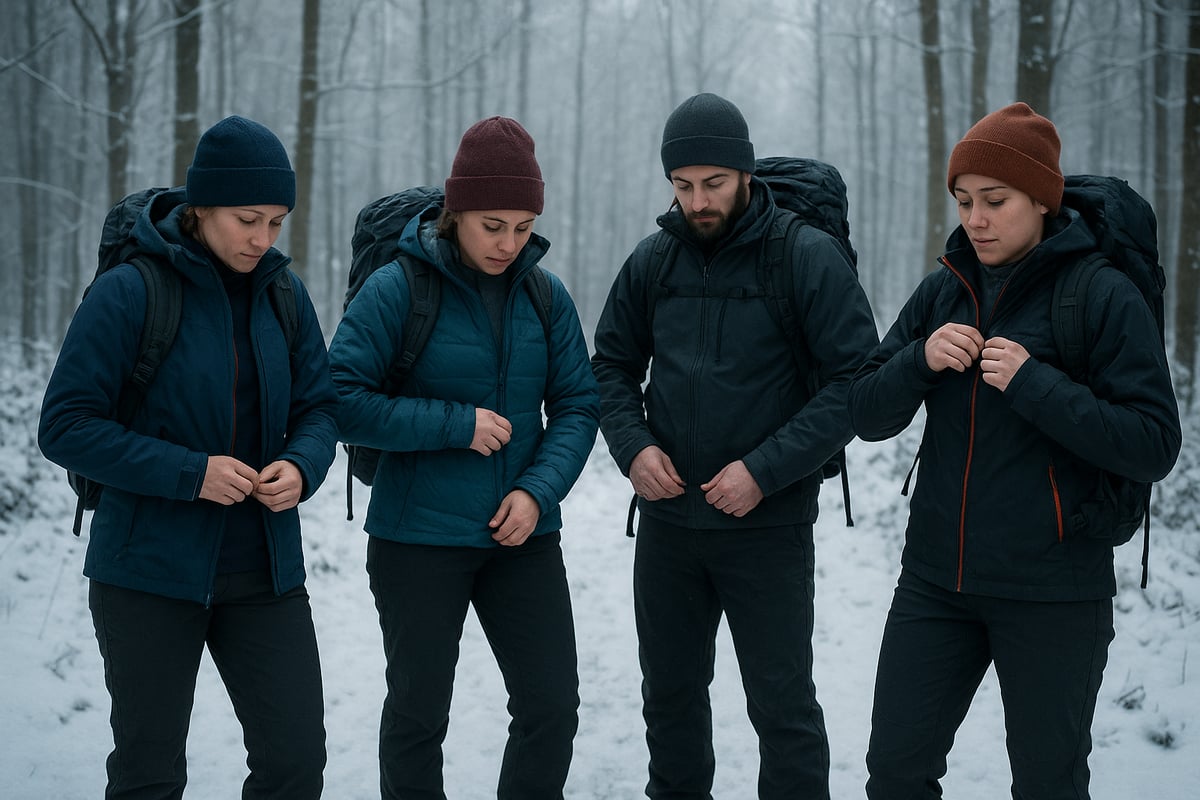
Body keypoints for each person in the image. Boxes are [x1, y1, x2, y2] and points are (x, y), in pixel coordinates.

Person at [848, 102, 1182, 798]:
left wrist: (1035, 384)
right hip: (936, 582)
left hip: (1053, 592)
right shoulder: (943, 291)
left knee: (1047, 785)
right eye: (964, 200)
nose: (976, 219)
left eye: (995, 200)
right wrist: (916, 359)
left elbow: (1153, 444)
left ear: (1041, 200)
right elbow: (866, 414)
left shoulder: (1100, 296)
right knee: (895, 775)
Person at [38, 115, 338, 799]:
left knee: (295, 763)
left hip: (264, 571)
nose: (263, 239)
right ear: (201, 208)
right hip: (147, 570)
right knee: (150, 775)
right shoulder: (130, 291)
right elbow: (65, 426)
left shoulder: (284, 293)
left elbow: (320, 408)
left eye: (276, 222)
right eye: (247, 220)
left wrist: (302, 465)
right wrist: (191, 472)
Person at [591, 92, 879, 800]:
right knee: (669, 702)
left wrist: (763, 471)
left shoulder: (804, 257)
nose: (698, 201)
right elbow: (610, 366)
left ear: (746, 172)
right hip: (668, 528)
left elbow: (854, 382)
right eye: (683, 185)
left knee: (782, 711)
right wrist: (632, 447)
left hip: (767, 528)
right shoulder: (652, 260)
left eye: (714, 182)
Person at [328, 116, 600, 800]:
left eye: (523, 227)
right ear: (456, 212)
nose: (509, 243)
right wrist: (454, 425)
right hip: (417, 538)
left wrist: (538, 492)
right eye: (492, 226)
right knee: (419, 716)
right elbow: (337, 398)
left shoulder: (546, 296)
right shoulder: (398, 289)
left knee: (551, 709)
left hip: (522, 538)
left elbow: (578, 406)